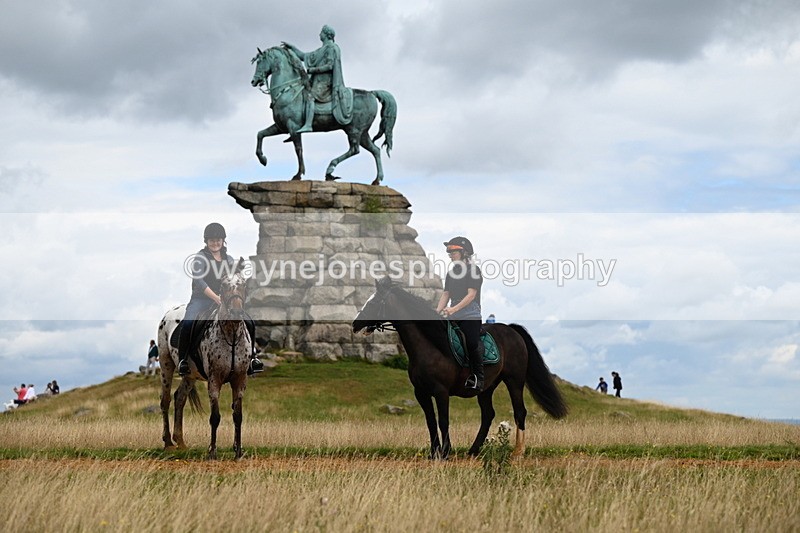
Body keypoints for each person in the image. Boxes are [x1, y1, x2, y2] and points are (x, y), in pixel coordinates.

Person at [178, 223, 263, 377]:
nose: (215, 243)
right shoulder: (200, 258)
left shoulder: (228, 259)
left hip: (224, 300)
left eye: (218, 240)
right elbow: (199, 282)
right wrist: (216, 298)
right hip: (201, 299)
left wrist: (239, 273)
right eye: (212, 240)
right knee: (188, 323)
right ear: (206, 241)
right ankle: (183, 360)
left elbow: (232, 278)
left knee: (249, 321)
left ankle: (252, 358)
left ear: (223, 241)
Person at [282, 24, 353, 132]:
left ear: (327, 35)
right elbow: (304, 56)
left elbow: (330, 66)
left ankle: (308, 124)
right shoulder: (321, 50)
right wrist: (292, 48)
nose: (319, 34)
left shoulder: (331, 48)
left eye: (321, 32)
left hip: (325, 83)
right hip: (317, 82)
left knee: (310, 96)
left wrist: (313, 70)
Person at [436, 236, 484, 391]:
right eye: (449, 252)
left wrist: (453, 309)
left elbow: (471, 295)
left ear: (464, 252)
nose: (450, 255)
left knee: (471, 343)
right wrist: (437, 312)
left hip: (470, 314)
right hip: (453, 313)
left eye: (453, 252)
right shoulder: (451, 273)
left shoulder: (473, 271)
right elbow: (446, 294)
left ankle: (478, 377)